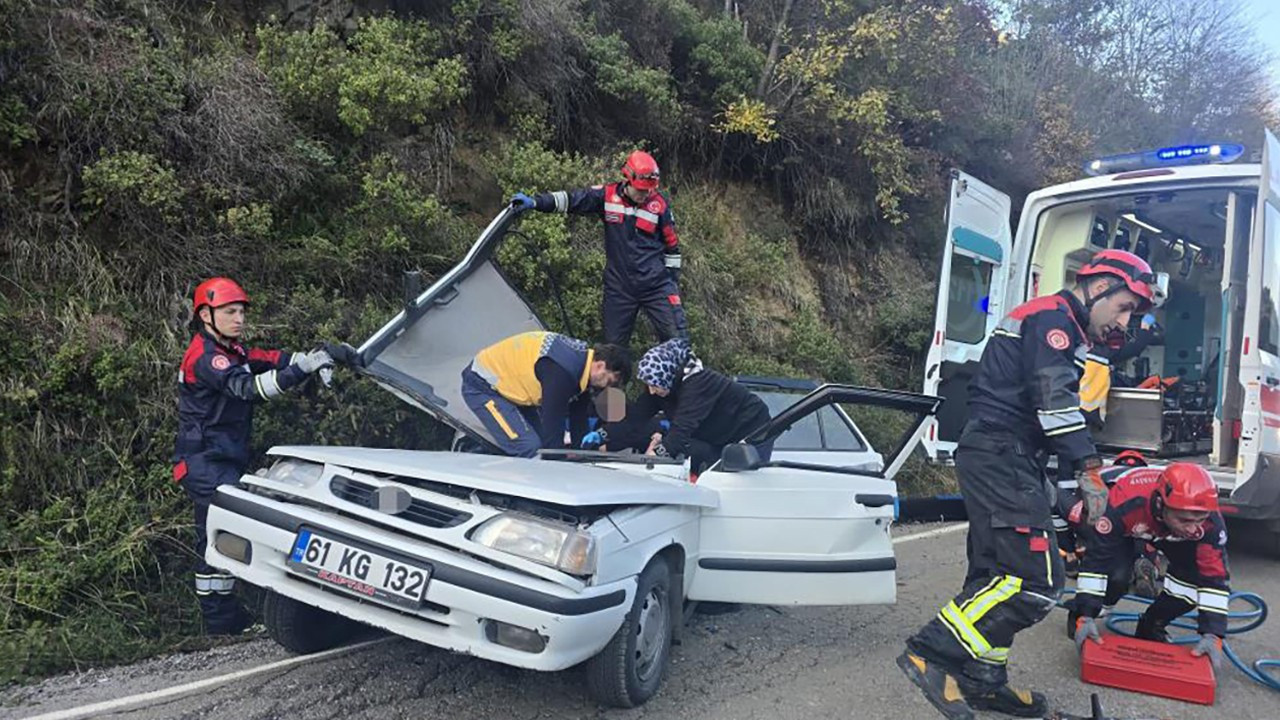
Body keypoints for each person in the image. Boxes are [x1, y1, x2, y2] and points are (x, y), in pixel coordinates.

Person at [897, 249, 1157, 720]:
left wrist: (1062, 492)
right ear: (1100, 287)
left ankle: (983, 679)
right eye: (1124, 308)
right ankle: (930, 653)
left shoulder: (1060, 323)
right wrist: (1088, 468)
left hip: (1005, 453)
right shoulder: (1053, 320)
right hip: (1002, 452)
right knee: (1035, 580)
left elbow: (1044, 411)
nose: (1125, 322)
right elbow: (1055, 404)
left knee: (994, 576)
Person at [174, 277, 335, 635]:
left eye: (242, 312)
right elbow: (248, 388)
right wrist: (301, 370)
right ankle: (221, 622)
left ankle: (225, 619)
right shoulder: (208, 358)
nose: (239, 319)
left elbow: (267, 359)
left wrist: (308, 358)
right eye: (230, 312)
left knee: (220, 533)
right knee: (220, 535)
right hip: (205, 463)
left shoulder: (232, 350)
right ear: (205, 315)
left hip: (219, 459)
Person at [510, 150, 687, 346]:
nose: (645, 195)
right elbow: (572, 200)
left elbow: (672, 247)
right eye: (641, 190)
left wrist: (671, 283)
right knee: (612, 349)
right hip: (619, 288)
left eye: (648, 190)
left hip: (655, 286)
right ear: (628, 179)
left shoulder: (659, 206)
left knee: (677, 341)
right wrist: (536, 202)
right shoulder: (607, 196)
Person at [1069, 463, 1229, 671]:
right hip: (1128, 525)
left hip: (1166, 531)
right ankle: (1079, 613)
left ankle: (1152, 624)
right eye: (1185, 520)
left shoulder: (1209, 524)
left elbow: (1215, 580)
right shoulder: (1123, 503)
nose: (1193, 529)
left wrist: (1213, 634)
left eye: (1200, 520)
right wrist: (1086, 615)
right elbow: (1096, 563)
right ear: (1161, 504)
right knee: (1116, 577)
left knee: (1192, 583)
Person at [597, 338, 772, 474]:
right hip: (715, 434)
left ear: (666, 376)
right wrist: (604, 434)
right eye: (648, 384)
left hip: (751, 428)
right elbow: (635, 417)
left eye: (654, 385)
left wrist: (654, 457)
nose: (651, 391)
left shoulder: (699, 384)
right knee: (695, 458)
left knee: (738, 477)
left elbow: (681, 431)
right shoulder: (661, 385)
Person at [461, 331, 631, 458]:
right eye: (612, 381)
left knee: (543, 445)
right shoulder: (563, 372)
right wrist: (557, 468)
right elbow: (553, 422)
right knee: (529, 447)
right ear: (600, 366)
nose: (609, 387)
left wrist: (584, 454)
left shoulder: (582, 365)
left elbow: (578, 418)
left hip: (513, 389)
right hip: (483, 386)